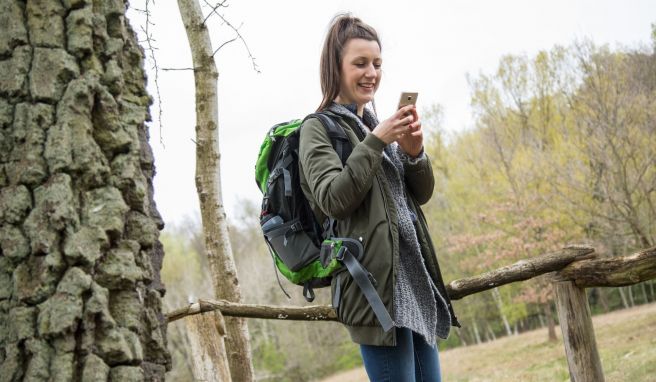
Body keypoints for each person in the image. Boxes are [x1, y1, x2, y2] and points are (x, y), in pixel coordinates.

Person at [298, 14, 462, 381]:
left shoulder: (374, 125)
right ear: (335, 67)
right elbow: (333, 199)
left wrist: (415, 153)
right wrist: (377, 142)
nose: (371, 72)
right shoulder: (318, 128)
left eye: (377, 64)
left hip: (414, 285)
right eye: (360, 63)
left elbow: (421, 195)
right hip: (373, 294)